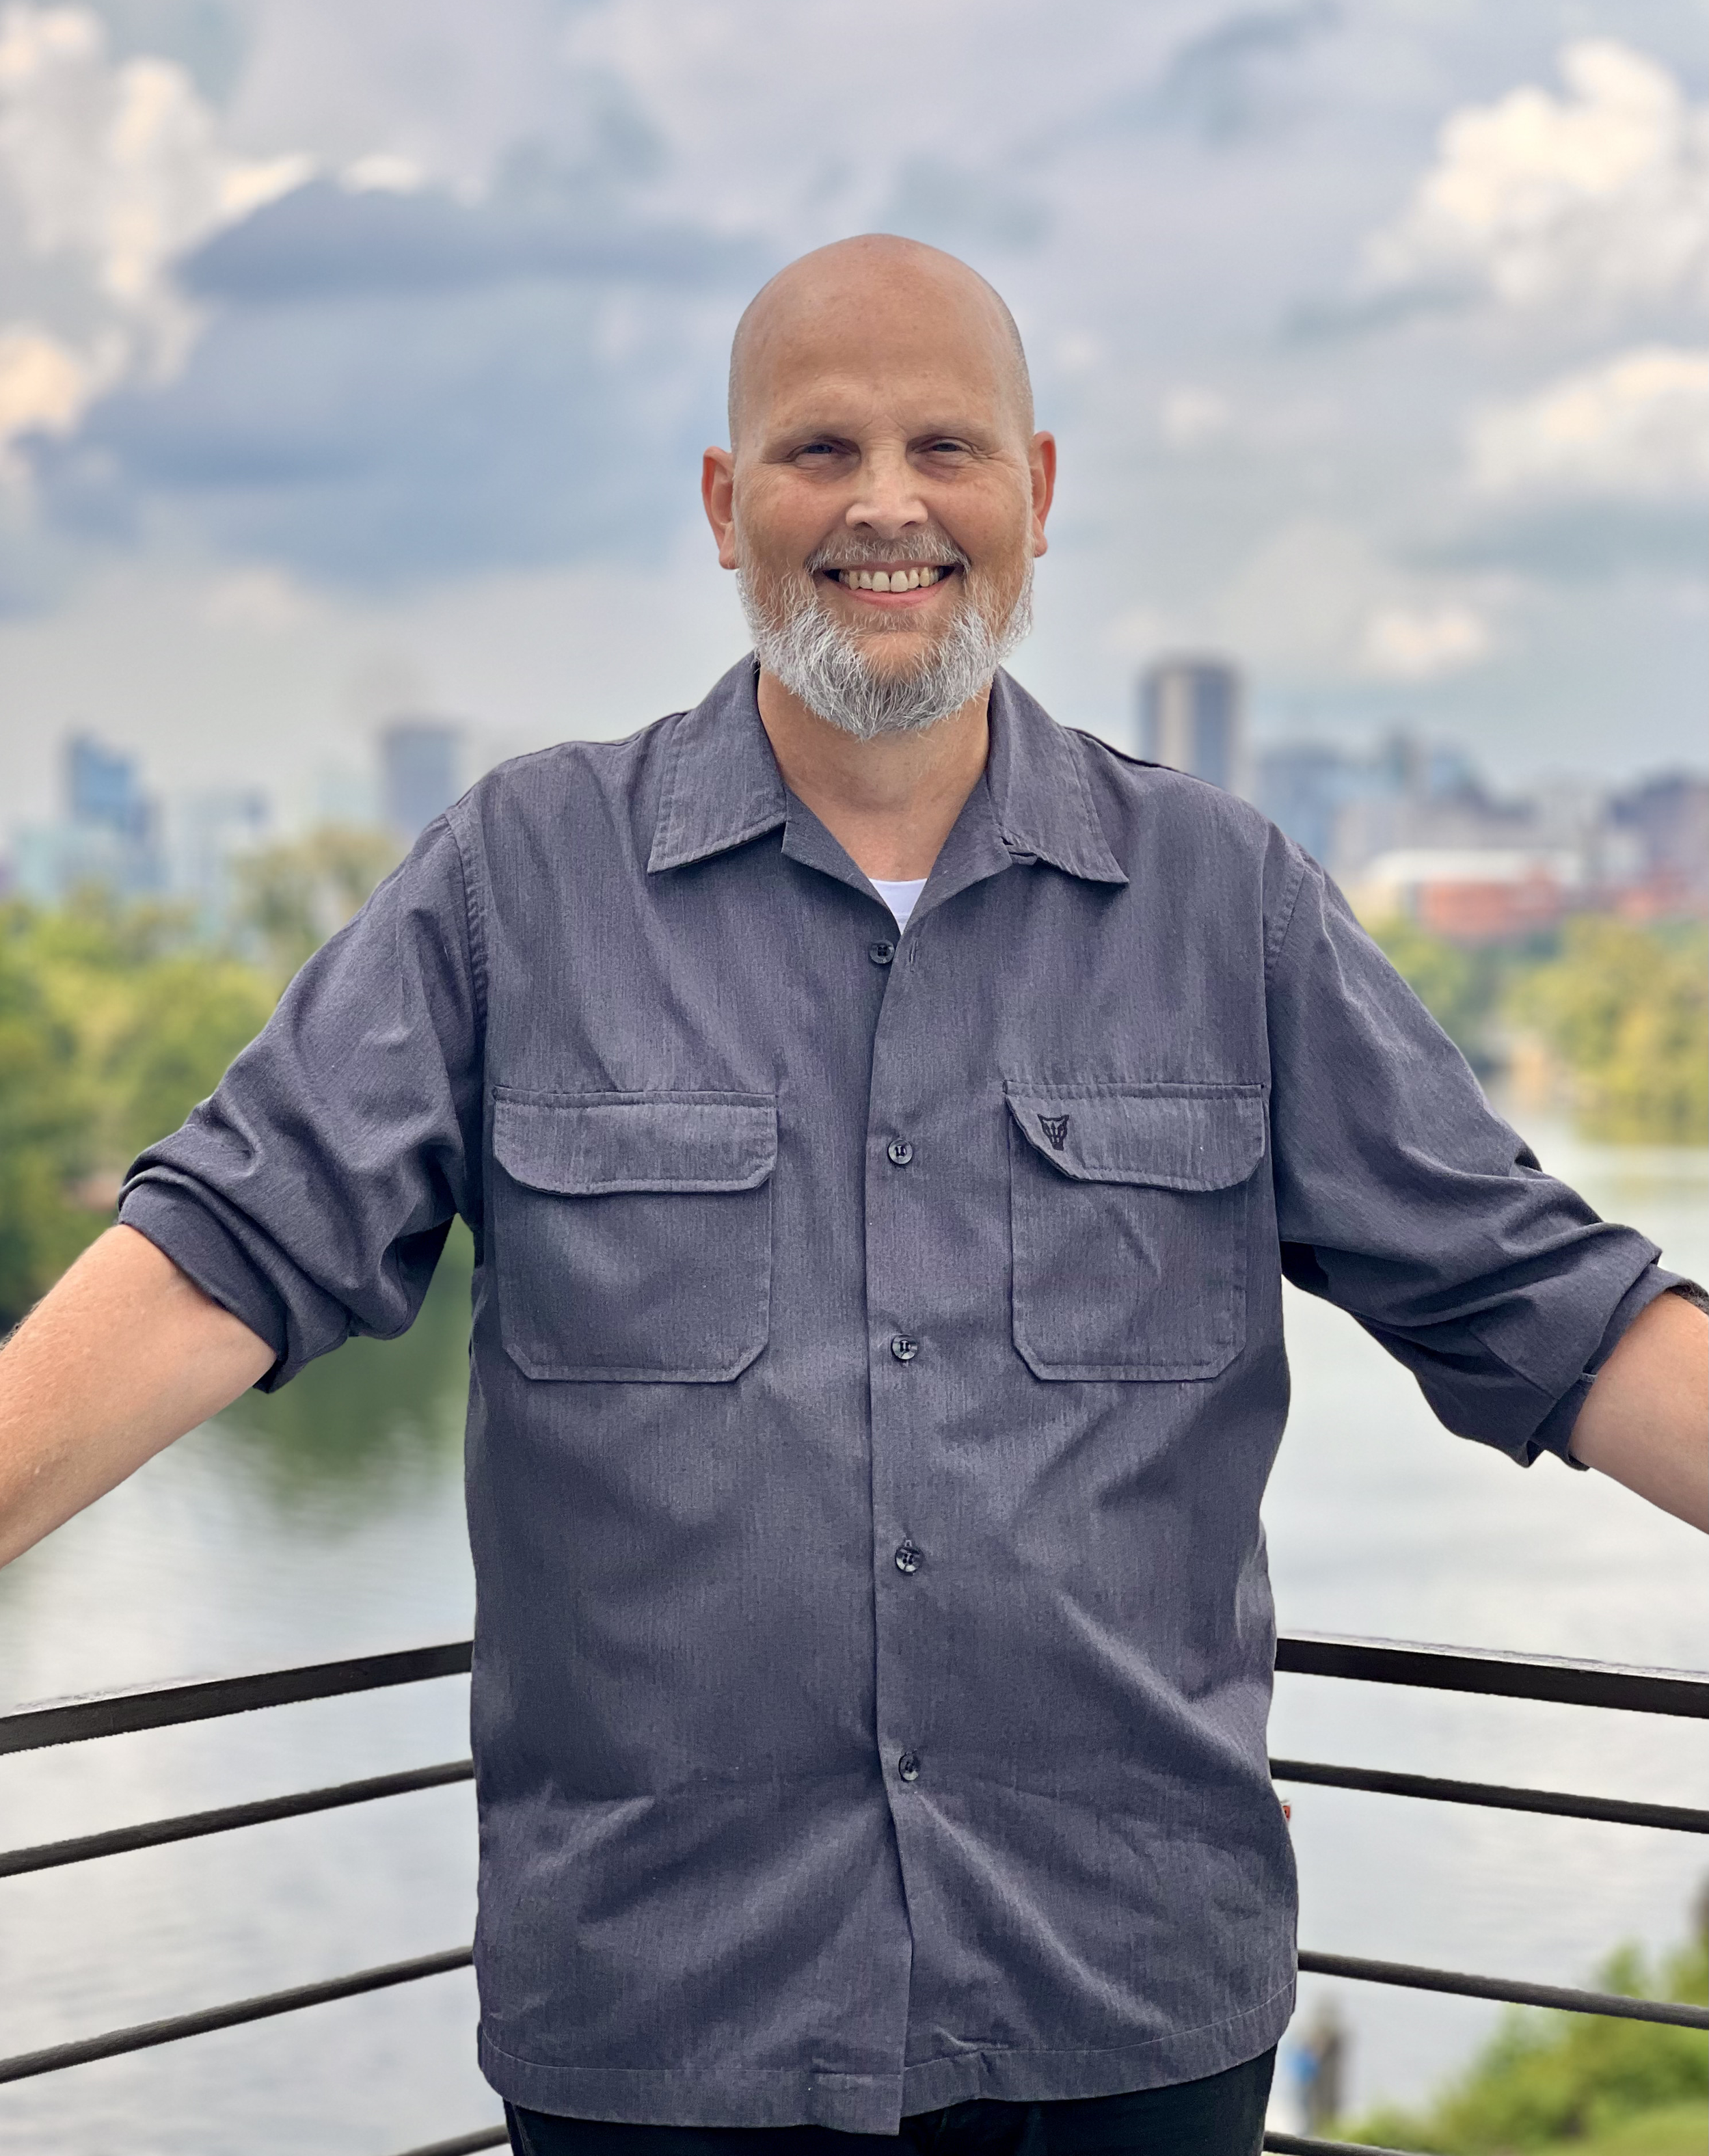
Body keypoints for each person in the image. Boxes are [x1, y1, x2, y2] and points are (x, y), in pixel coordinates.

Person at [1, 236, 1704, 2156]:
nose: (887, 504)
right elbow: (226, 1249)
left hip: (1125, 2015)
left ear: (1034, 493)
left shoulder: (1222, 900)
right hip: (664, 2025)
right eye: (819, 449)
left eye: (943, 448)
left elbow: (1536, 1298)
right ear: (724, 505)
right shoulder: (519, 882)